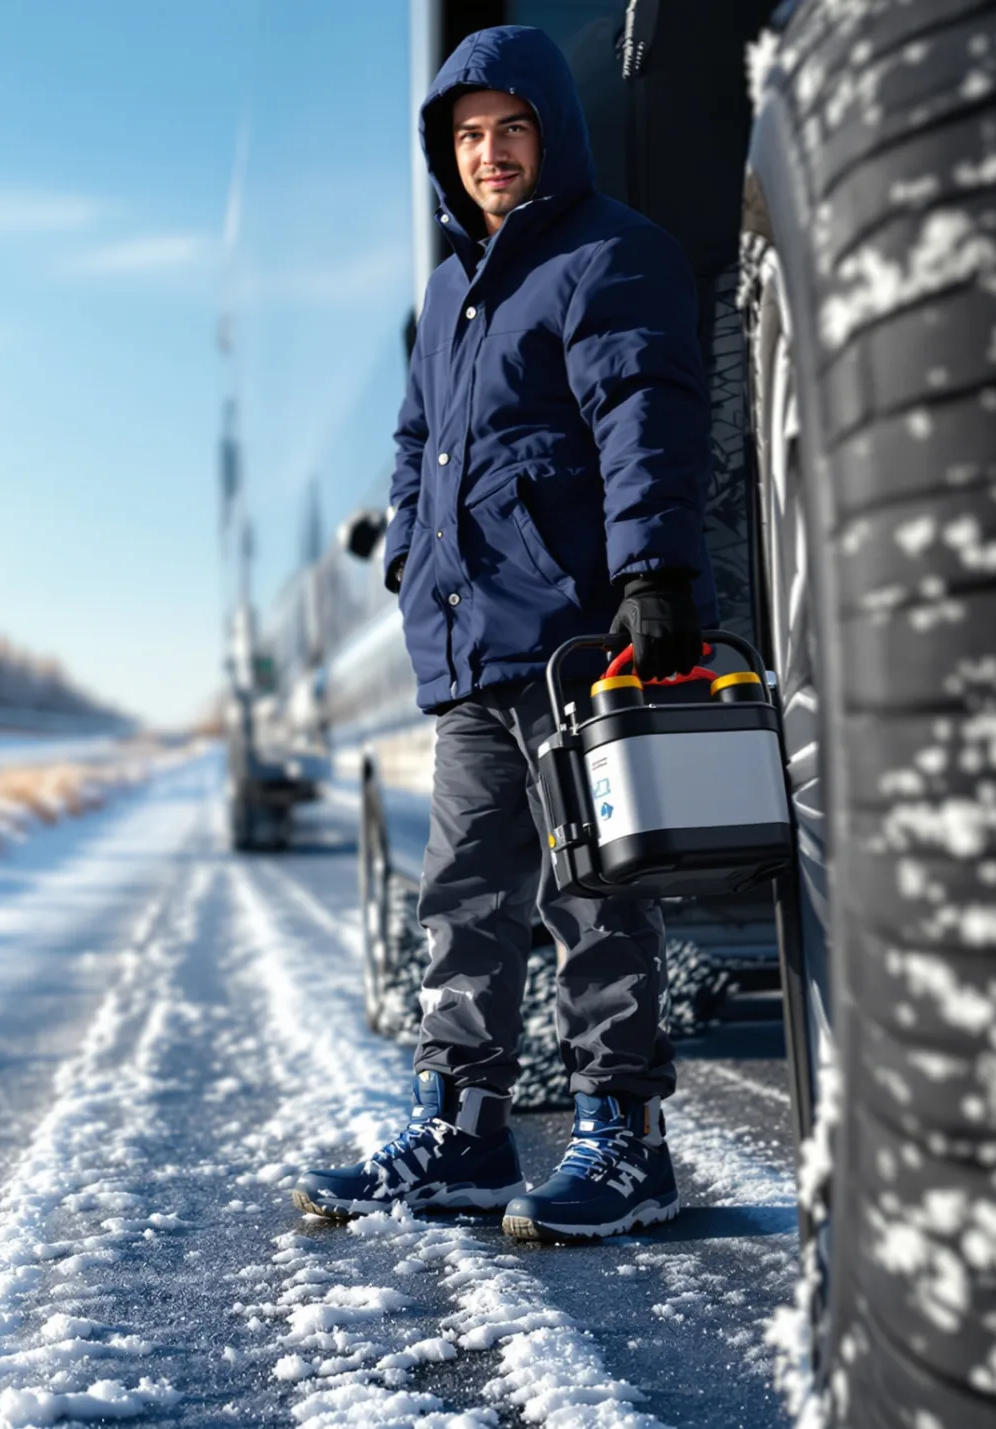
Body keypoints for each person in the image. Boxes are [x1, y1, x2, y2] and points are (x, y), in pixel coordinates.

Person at [295, 24, 715, 1243]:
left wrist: (652, 570)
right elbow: (414, 439)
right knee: (465, 893)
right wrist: (414, 557)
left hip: (582, 640)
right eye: (467, 136)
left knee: (595, 892)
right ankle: (463, 1131)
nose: (489, 154)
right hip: (472, 641)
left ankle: (626, 1141)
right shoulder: (447, 291)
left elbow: (647, 415)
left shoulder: (608, 255)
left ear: (552, 134)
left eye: (510, 129)